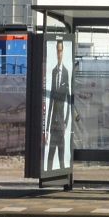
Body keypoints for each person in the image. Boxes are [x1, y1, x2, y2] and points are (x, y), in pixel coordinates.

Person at [45, 40, 71, 170]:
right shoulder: (54, 71)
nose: (59, 54)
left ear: (63, 52)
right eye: (57, 51)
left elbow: (69, 99)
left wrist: (66, 121)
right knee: (50, 155)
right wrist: (47, 128)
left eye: (61, 51)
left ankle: (62, 176)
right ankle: (49, 176)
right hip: (53, 123)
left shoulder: (66, 72)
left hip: (61, 124)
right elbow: (51, 101)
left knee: (61, 156)